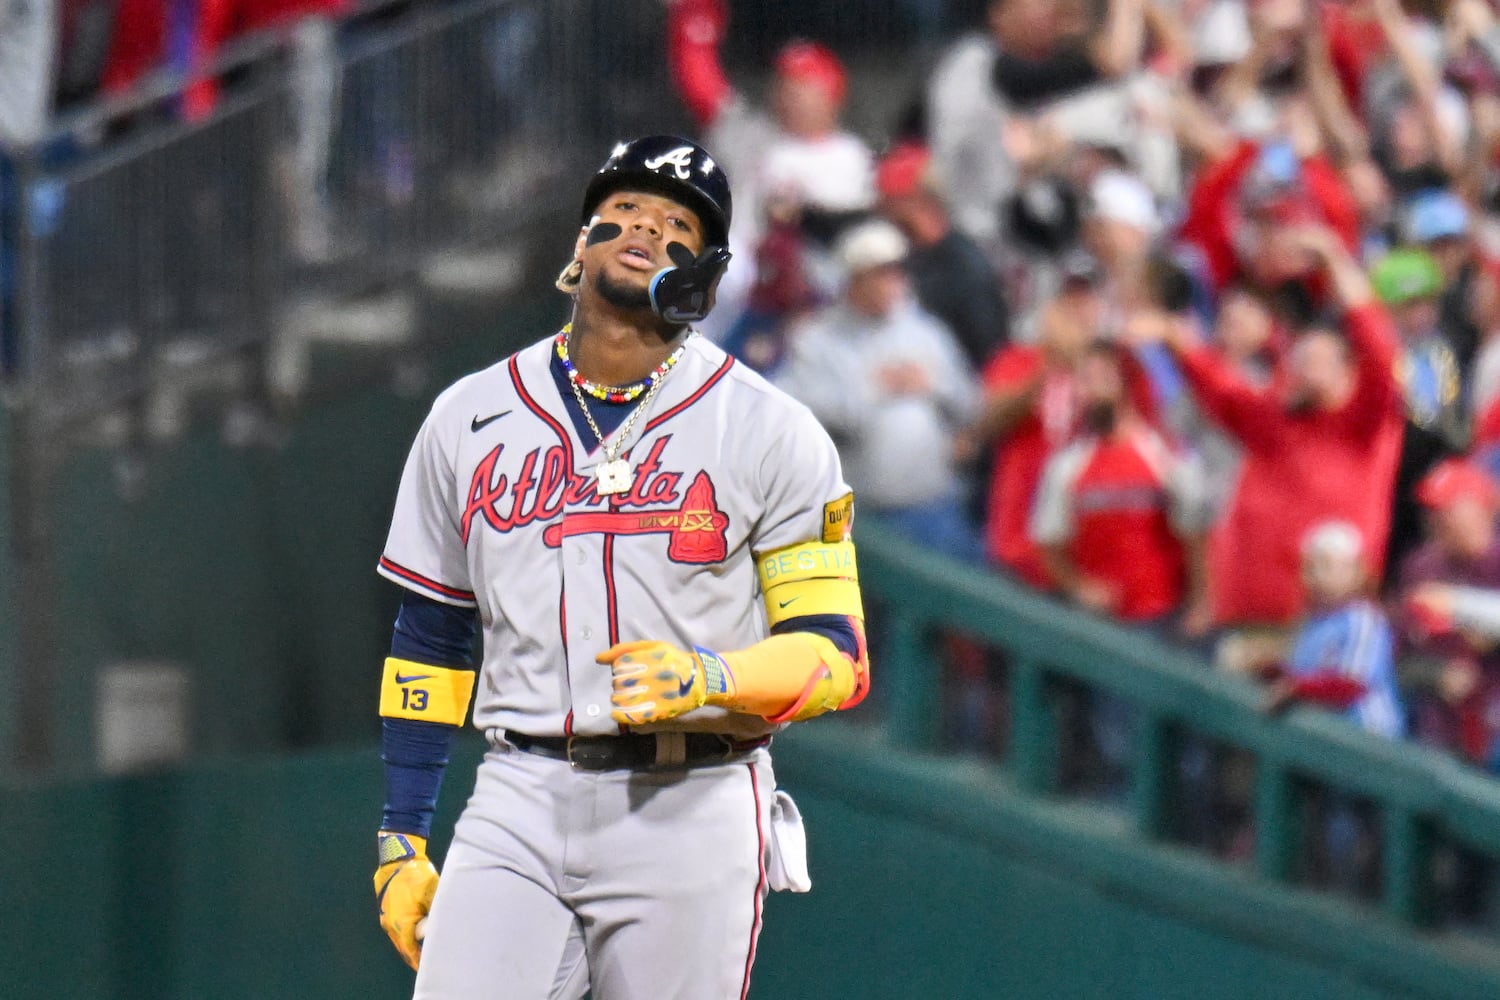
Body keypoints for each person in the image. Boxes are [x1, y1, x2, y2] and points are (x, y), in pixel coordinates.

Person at [371, 136, 870, 998]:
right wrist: (401, 836)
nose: (644, 226)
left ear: (705, 275)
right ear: (580, 241)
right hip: (519, 788)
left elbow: (837, 655)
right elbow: (432, 636)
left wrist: (712, 676)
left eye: (677, 223)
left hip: (695, 794)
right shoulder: (469, 415)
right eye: (625, 210)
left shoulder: (771, 431)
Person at [1154, 224, 1404, 649]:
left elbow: (1380, 352)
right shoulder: (1274, 420)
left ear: (1348, 371)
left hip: (1323, 626)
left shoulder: (1362, 425)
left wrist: (1334, 260)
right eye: (1301, 359)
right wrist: (1177, 340)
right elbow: (1223, 391)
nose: (1306, 369)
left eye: (1321, 360)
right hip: (1244, 616)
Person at [775, 218, 980, 560]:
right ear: (855, 279)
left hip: (934, 504)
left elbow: (971, 401)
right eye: (882, 273)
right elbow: (801, 412)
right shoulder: (818, 338)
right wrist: (874, 390)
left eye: (898, 271)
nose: (894, 282)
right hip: (860, 514)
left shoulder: (926, 332)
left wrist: (932, 385)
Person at [1030, 338, 1209, 634]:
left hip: (1163, 617)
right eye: (1084, 380)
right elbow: (1048, 540)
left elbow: (1196, 536)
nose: (1091, 391)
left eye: (1102, 378)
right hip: (1095, 625)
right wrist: (1079, 586)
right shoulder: (1067, 464)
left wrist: (1201, 603)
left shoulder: (1166, 455)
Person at [1370, 248, 1467, 582]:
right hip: (1390, 478)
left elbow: (1451, 414)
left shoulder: (1441, 351)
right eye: (1410, 305)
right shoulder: (1376, 356)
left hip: (1433, 468)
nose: (1423, 314)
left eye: (1428, 303)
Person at [1396, 458, 1500, 766]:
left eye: (1448, 508)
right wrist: (1435, 675)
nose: (1436, 519)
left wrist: (1465, 614)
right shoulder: (1421, 567)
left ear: (1482, 509)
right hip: (1436, 726)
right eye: (1432, 510)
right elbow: (1398, 654)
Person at [876, 142, 1011, 370]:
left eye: (892, 201)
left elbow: (989, 355)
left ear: (921, 201)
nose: (881, 210)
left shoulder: (966, 267)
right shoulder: (902, 257)